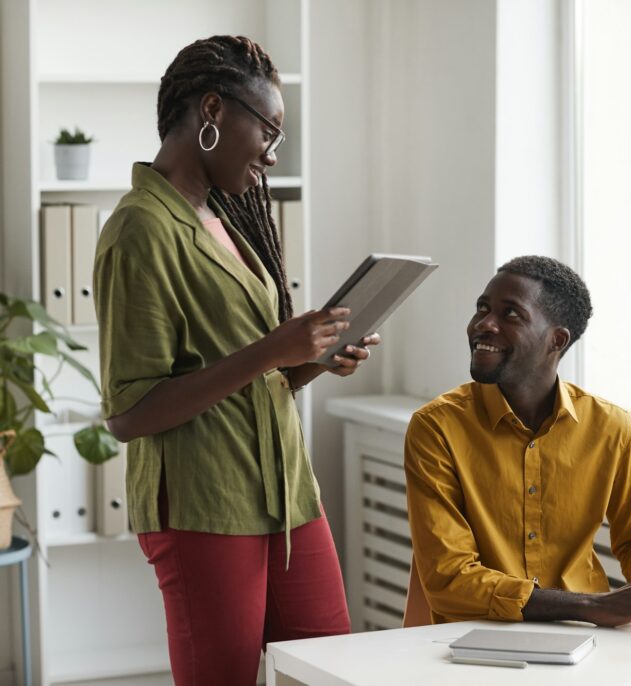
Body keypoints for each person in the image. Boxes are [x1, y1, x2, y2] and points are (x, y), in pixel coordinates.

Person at [93, 36, 374, 685]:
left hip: (287, 497)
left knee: (330, 670)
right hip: (205, 505)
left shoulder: (225, 217)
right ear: (212, 110)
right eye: (269, 130)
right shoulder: (142, 228)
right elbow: (131, 412)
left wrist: (311, 360)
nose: (274, 153)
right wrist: (274, 348)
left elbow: (254, 378)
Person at [404, 255, 631, 626]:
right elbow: (448, 576)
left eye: (510, 314)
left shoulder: (614, 430)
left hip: (583, 637)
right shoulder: (436, 428)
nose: (483, 324)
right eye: (482, 309)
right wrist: (592, 607)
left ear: (557, 339)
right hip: (468, 638)